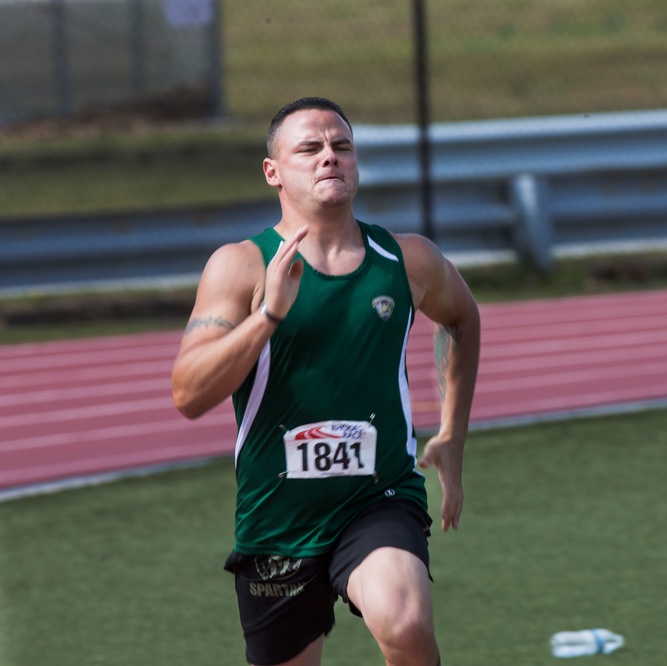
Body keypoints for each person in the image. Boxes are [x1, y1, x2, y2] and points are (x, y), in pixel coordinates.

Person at [171, 97, 481, 666]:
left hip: (378, 497)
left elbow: (462, 318)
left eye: (341, 146)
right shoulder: (240, 266)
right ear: (274, 172)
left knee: (406, 622)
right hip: (277, 519)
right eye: (309, 149)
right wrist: (267, 317)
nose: (328, 159)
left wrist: (453, 433)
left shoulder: (406, 259)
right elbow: (189, 393)